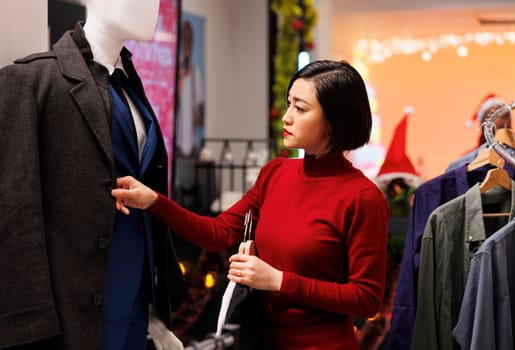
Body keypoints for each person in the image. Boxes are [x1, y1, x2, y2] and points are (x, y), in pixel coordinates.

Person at [112, 60, 390, 350]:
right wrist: (155, 201)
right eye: (288, 104)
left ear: (335, 121)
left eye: (300, 108)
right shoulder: (275, 174)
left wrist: (279, 280)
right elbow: (217, 232)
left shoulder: (363, 198)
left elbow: (366, 297)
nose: (286, 117)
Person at [0, 0, 184, 349]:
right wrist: (29, 326)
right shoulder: (29, 82)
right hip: (72, 313)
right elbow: (14, 217)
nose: (154, 6)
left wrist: (155, 303)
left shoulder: (131, 88)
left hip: (135, 306)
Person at [445, 94, 515, 172]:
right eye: (493, 116)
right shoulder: (463, 164)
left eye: (505, 116)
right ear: (483, 124)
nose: (500, 121)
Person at [176, 20, 205, 158]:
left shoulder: (195, 72)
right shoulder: (174, 71)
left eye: (189, 40)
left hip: (192, 141)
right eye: (184, 39)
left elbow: (201, 107)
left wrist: (198, 118)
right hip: (176, 137)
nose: (187, 44)